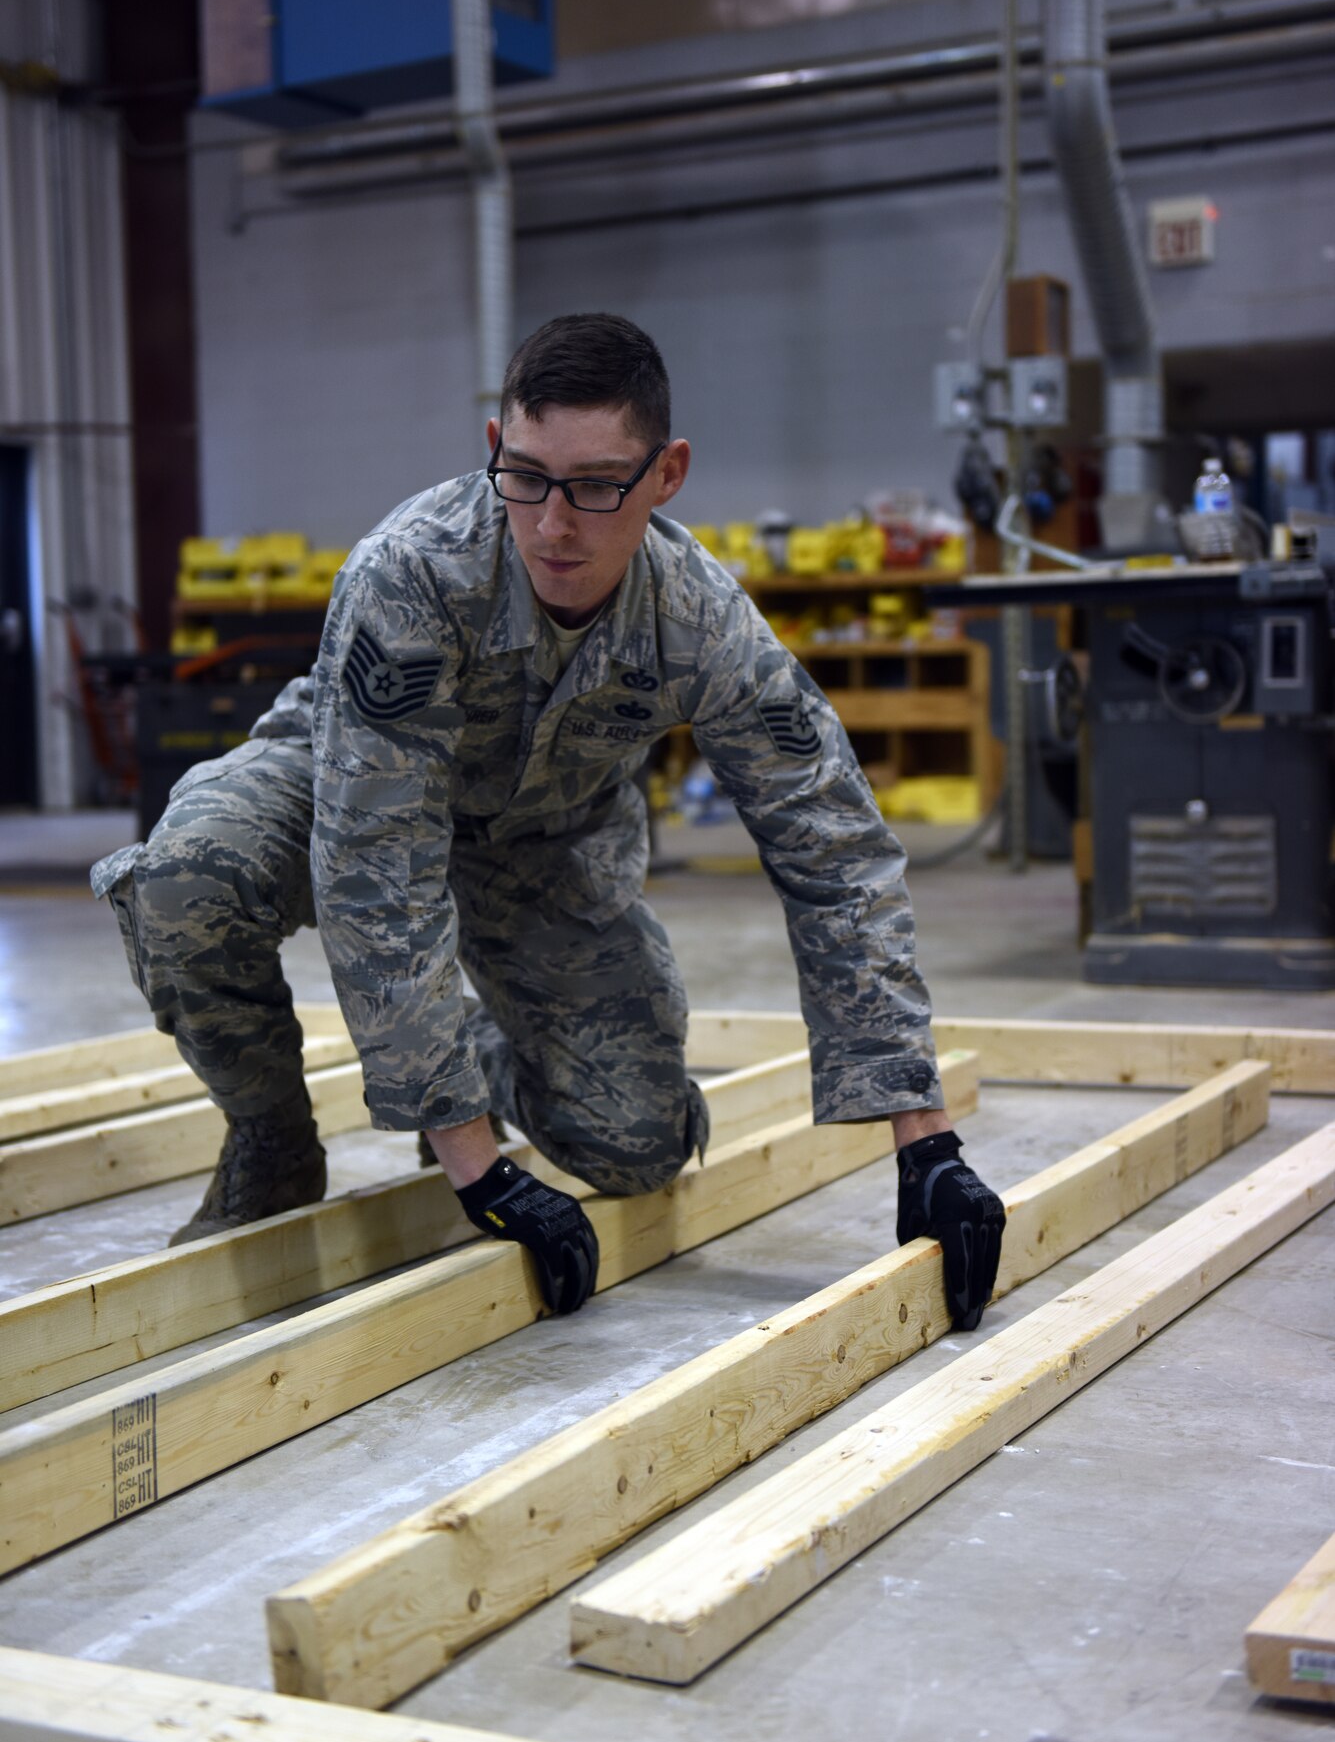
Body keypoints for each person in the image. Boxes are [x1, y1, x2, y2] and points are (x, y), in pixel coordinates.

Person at [93, 313, 1004, 1329]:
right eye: (525, 476)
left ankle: (477, 1041)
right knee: (187, 879)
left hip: (546, 844)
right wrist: (477, 1169)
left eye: (597, 484)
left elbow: (831, 845)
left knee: (638, 1144)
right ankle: (270, 1138)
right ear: (494, 447)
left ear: (668, 474)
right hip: (341, 781)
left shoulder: (700, 617)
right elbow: (377, 865)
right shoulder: (413, 571)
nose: (555, 523)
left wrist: (926, 1142)